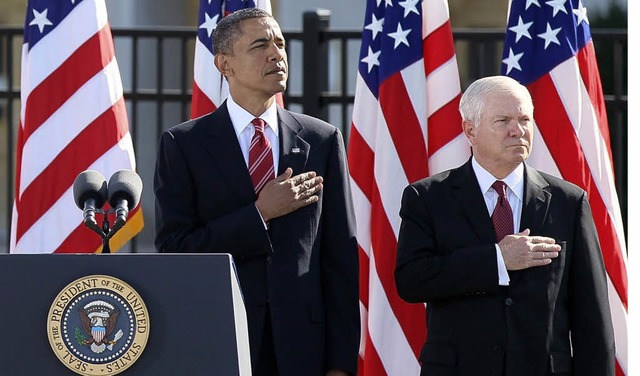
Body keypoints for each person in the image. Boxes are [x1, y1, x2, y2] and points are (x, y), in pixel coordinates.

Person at [153, 8, 359, 376]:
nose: (276, 54)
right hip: (221, 337)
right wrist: (259, 215)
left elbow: (340, 259)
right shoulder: (184, 144)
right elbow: (175, 248)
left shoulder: (321, 139)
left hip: (303, 349)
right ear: (224, 64)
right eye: (260, 45)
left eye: (280, 43)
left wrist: (340, 364)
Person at [394, 76, 615, 376]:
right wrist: (497, 260)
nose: (518, 130)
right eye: (503, 120)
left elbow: (593, 317)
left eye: (525, 119)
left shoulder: (569, 201)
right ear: (470, 130)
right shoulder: (428, 198)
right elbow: (411, 280)